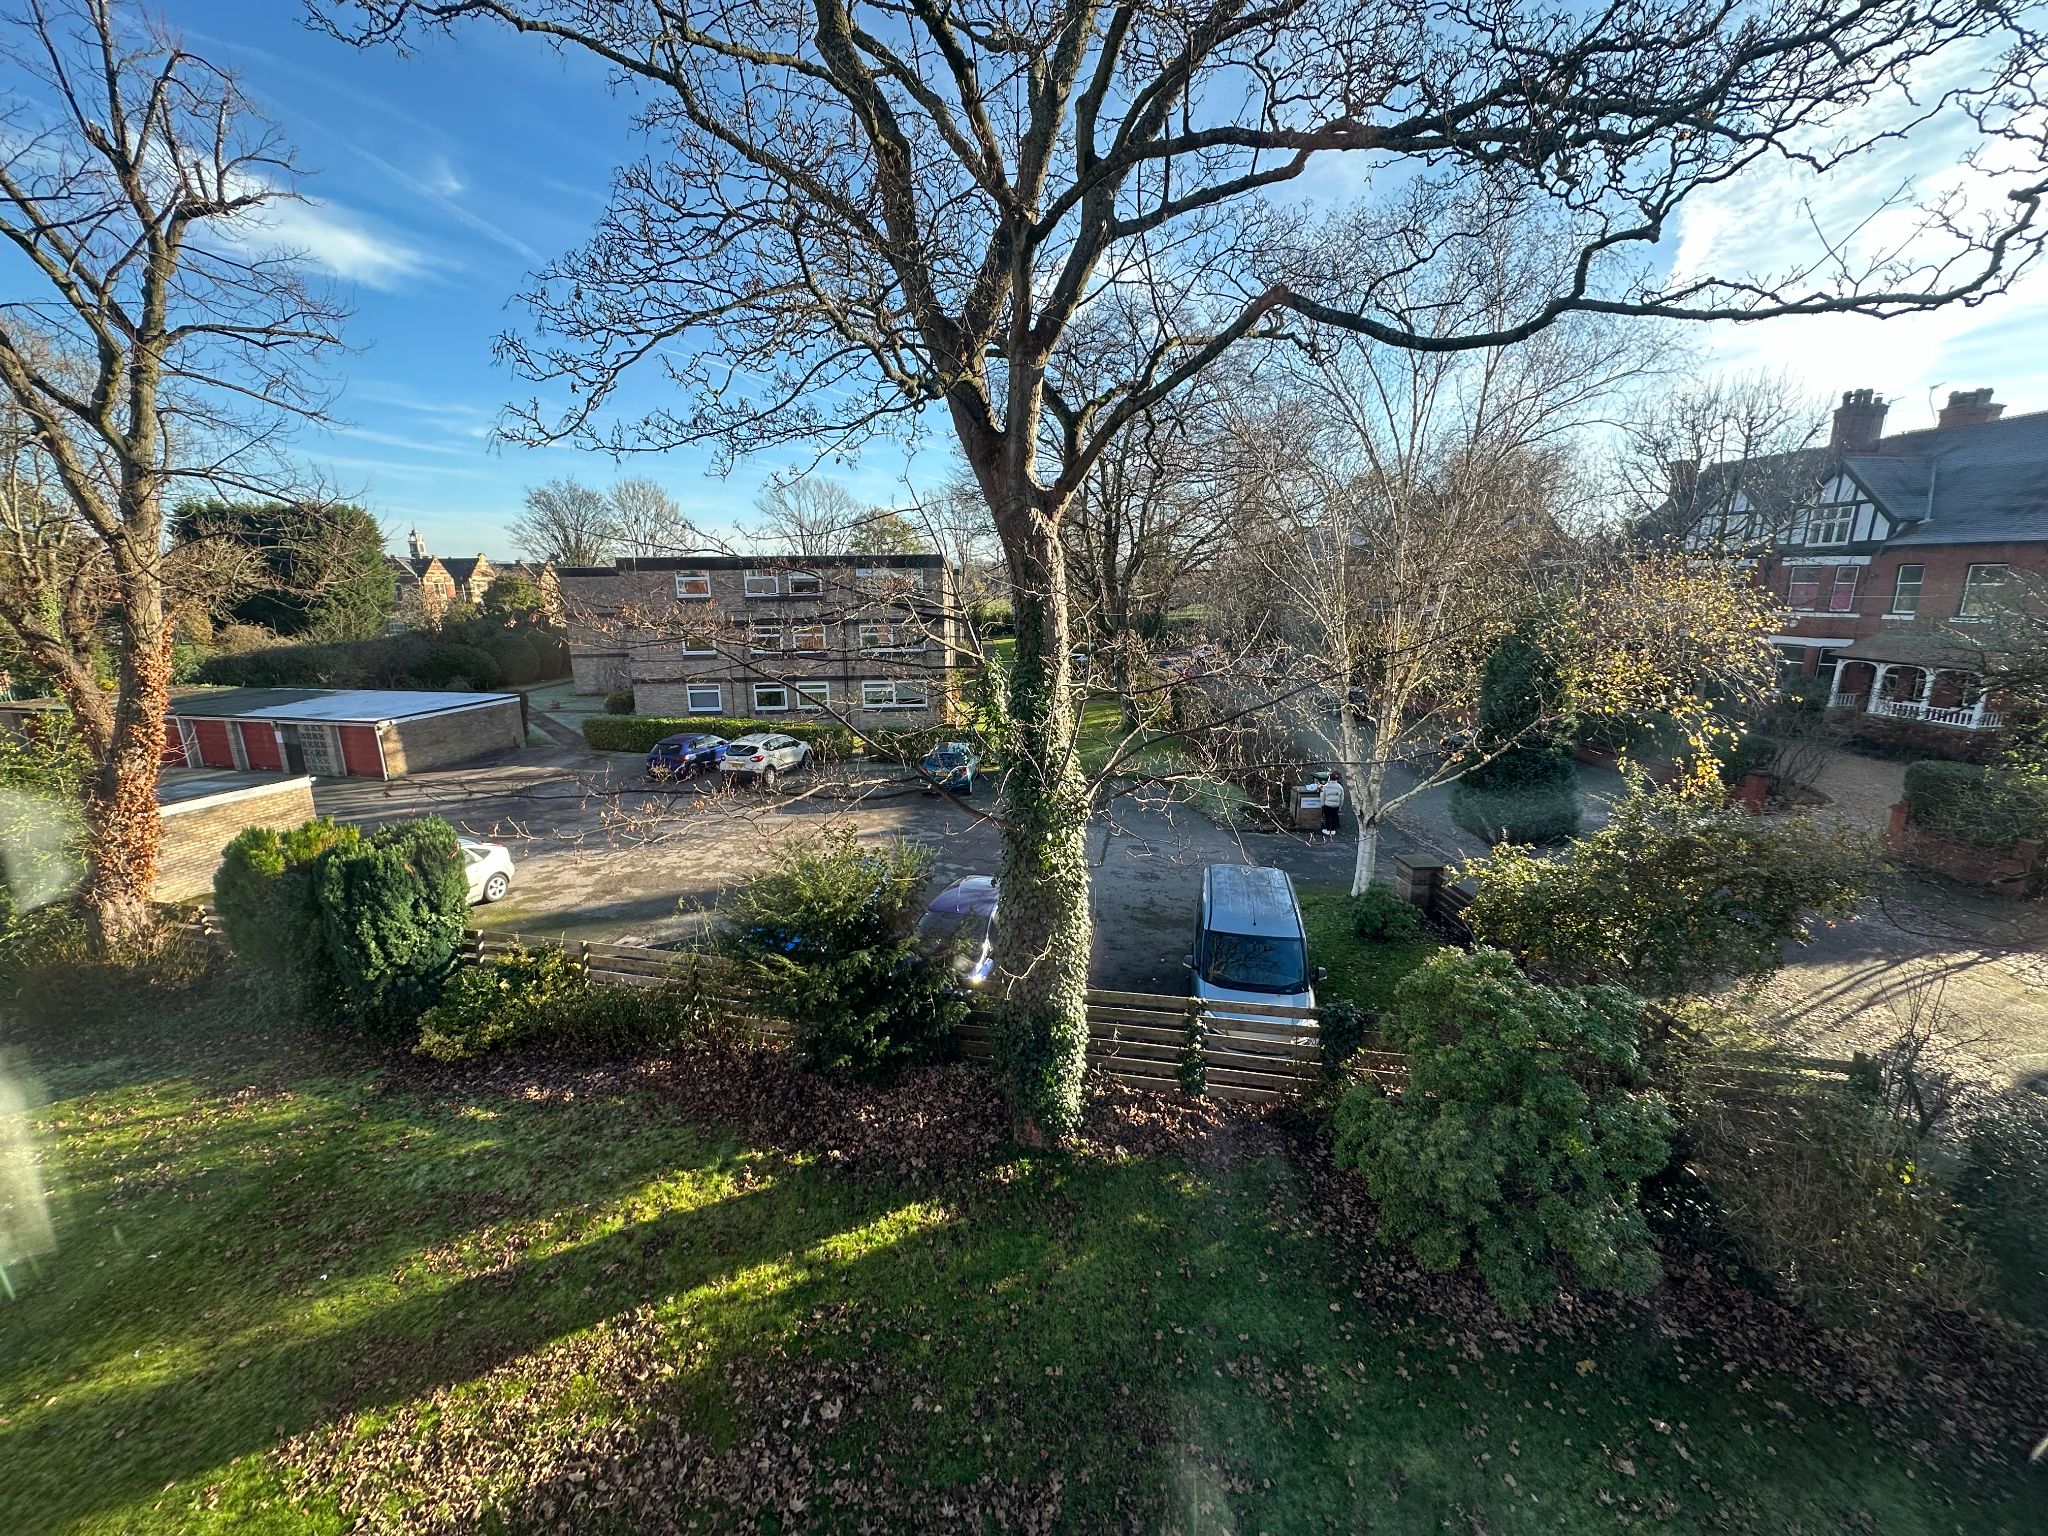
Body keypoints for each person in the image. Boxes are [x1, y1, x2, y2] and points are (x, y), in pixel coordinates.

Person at [1319, 770, 1346, 840]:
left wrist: (1322, 804)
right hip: (1336, 805)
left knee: (1327, 817)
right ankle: (1333, 830)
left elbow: (1322, 796)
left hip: (1327, 805)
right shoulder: (1339, 787)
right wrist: (1340, 806)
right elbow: (1341, 798)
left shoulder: (1326, 786)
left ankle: (1327, 829)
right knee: (1334, 817)